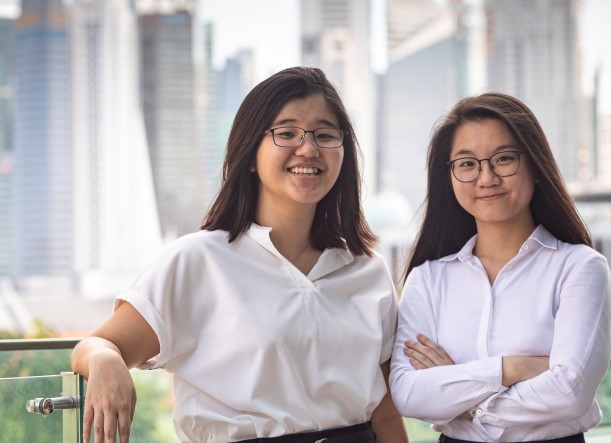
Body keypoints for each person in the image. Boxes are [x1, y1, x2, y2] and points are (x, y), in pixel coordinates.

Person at [71, 67, 408, 443]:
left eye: (325, 134)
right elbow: (96, 345)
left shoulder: (368, 270)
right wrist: (105, 360)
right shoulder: (198, 260)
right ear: (250, 154)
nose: (308, 148)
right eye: (287, 132)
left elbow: (386, 414)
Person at [389, 93, 611, 442]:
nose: (486, 177)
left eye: (504, 158)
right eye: (467, 164)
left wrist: (462, 398)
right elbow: (407, 392)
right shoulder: (428, 278)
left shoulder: (580, 268)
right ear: (449, 178)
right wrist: (513, 368)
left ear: (536, 167)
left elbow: (571, 391)